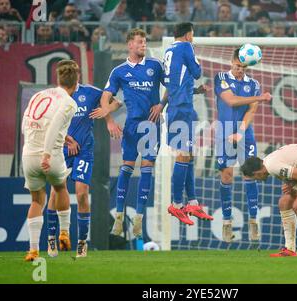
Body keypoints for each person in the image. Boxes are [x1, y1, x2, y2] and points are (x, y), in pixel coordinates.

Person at [45, 81, 122, 259]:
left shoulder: (91, 92)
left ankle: (82, 243)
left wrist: (107, 112)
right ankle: (51, 240)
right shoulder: (55, 96)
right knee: (55, 193)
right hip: (61, 150)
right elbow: (48, 126)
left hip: (84, 151)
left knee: (81, 194)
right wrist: (67, 140)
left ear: (76, 75)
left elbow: (117, 102)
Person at [100, 28, 164, 239]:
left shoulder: (155, 65)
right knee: (126, 168)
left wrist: (161, 104)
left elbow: (172, 86)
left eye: (145, 42)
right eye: (139, 42)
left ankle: (138, 220)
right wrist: (109, 121)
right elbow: (105, 97)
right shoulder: (119, 71)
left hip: (151, 126)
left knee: (147, 168)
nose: (143, 45)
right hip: (131, 126)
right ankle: (119, 217)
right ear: (130, 45)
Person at [22, 60, 79, 262]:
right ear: (76, 82)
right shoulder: (70, 103)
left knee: (37, 200)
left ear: (58, 79)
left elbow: (27, 123)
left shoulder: (39, 95)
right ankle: (64, 232)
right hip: (50, 155)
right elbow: (54, 125)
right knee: (60, 187)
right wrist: (46, 154)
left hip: (28, 154)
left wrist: (35, 148)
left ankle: (33, 250)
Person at [214, 48, 272, 243]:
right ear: (231, 61)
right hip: (224, 132)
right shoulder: (221, 77)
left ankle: (254, 221)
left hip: (245, 133)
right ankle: (226, 223)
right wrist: (259, 97)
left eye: (243, 67)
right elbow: (230, 101)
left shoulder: (253, 84)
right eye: (237, 66)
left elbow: (251, 111)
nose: (239, 70)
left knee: (250, 174)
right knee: (227, 174)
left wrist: (240, 131)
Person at [163, 22, 213, 225]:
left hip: (180, 106)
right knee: (183, 156)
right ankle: (176, 204)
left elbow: (176, 83)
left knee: (189, 155)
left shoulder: (169, 50)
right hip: (181, 109)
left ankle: (192, 202)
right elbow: (197, 71)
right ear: (187, 35)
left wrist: (195, 91)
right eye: (192, 34)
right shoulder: (185, 47)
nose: (193, 37)